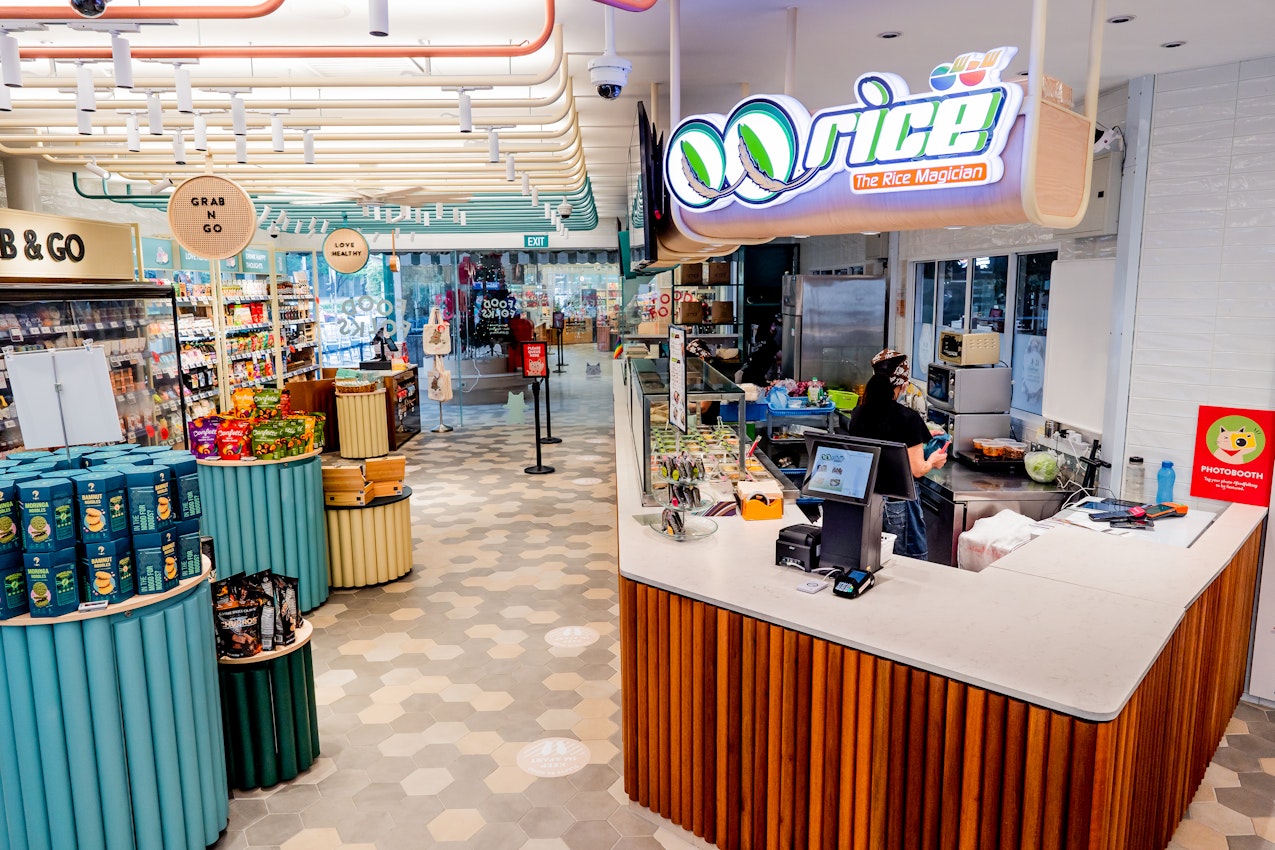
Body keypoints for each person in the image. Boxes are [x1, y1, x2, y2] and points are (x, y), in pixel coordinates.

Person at [841, 349, 946, 559]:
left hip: (866, 499)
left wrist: (922, 433)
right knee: (907, 565)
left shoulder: (859, 413)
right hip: (898, 504)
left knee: (872, 560)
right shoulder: (908, 417)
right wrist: (934, 461)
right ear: (903, 384)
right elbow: (917, 470)